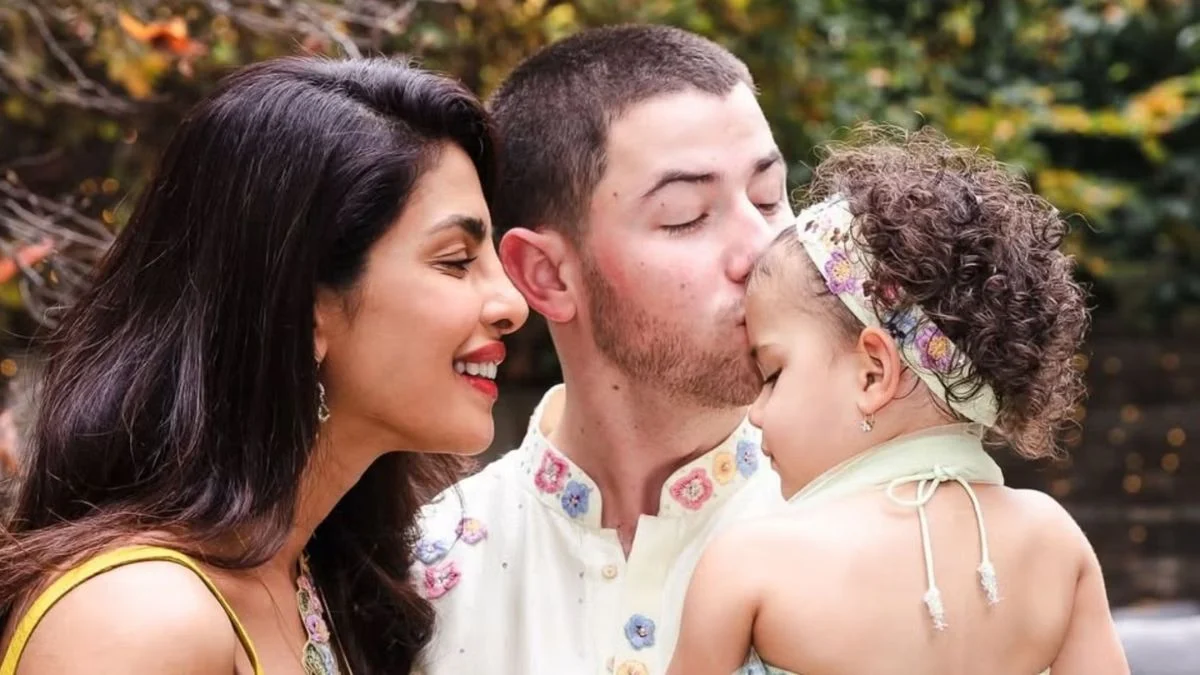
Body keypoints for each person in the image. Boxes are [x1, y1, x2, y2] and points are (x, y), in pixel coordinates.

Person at [0, 56, 527, 674]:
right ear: (302, 312)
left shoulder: (318, 579)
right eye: (456, 260)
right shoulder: (140, 620)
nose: (512, 304)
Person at [666, 124, 1130, 675]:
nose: (756, 410)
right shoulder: (1054, 541)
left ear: (873, 373)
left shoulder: (750, 564)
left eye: (772, 374)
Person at [410, 24, 793, 675]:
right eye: (686, 215)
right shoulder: (426, 577)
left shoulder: (898, 537)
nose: (761, 250)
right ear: (546, 276)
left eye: (770, 196)